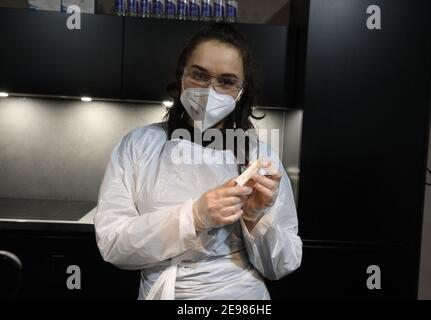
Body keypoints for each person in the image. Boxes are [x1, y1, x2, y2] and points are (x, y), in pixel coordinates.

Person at [94, 22, 302, 300]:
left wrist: (255, 219)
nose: (210, 90)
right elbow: (113, 245)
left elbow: (283, 264)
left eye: (226, 81)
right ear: (182, 76)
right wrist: (193, 217)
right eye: (199, 75)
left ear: (241, 90)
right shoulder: (137, 146)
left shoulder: (259, 160)